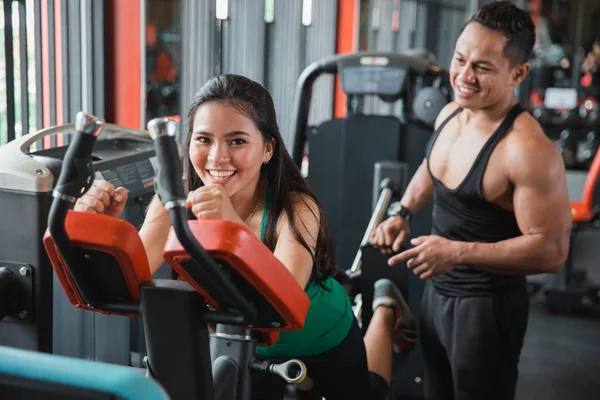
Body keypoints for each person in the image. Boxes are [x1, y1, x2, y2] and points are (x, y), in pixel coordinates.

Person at [74, 73, 413, 400]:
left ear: (267, 149)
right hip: (243, 339)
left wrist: (231, 227)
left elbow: (285, 299)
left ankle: (384, 308)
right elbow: (136, 274)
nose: (218, 157)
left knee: (369, 393)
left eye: (237, 141)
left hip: (321, 333)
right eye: (204, 139)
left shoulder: (297, 207)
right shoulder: (175, 200)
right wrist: (104, 232)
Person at [369, 2, 571, 400]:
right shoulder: (451, 113)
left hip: (485, 309)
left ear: (518, 73)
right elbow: (433, 166)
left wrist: (459, 252)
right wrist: (402, 211)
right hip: (436, 293)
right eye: (460, 59)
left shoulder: (527, 149)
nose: (463, 76)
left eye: (482, 67)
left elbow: (551, 250)